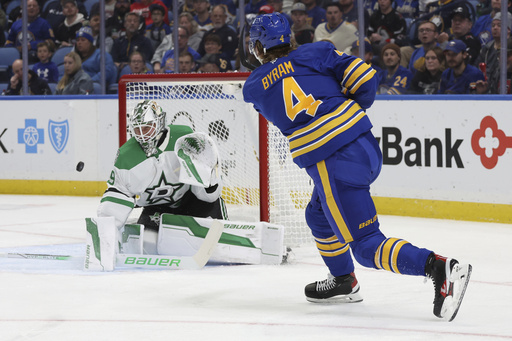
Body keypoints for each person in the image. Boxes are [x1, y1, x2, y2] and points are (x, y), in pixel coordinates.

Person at [242, 13, 472, 321]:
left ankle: (438, 267)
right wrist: (351, 107)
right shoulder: (318, 51)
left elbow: (277, 100)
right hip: (363, 144)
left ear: (258, 47)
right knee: (318, 215)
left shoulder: (254, 85)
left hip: (333, 163)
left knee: (366, 247)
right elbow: (365, 78)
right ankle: (343, 282)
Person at [97, 99, 226, 252]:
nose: (142, 135)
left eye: (147, 128)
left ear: (160, 122)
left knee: (217, 241)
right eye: (138, 130)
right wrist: (105, 234)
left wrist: (209, 183)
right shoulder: (126, 157)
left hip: (192, 202)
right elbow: (116, 199)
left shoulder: (184, 138)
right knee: (147, 247)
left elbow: (207, 191)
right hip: (157, 210)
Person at [475, 14, 512, 93]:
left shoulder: (510, 47)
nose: (495, 28)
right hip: (488, 90)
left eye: (499, 25)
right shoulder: (486, 48)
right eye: (493, 25)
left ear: (508, 29)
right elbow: (477, 68)